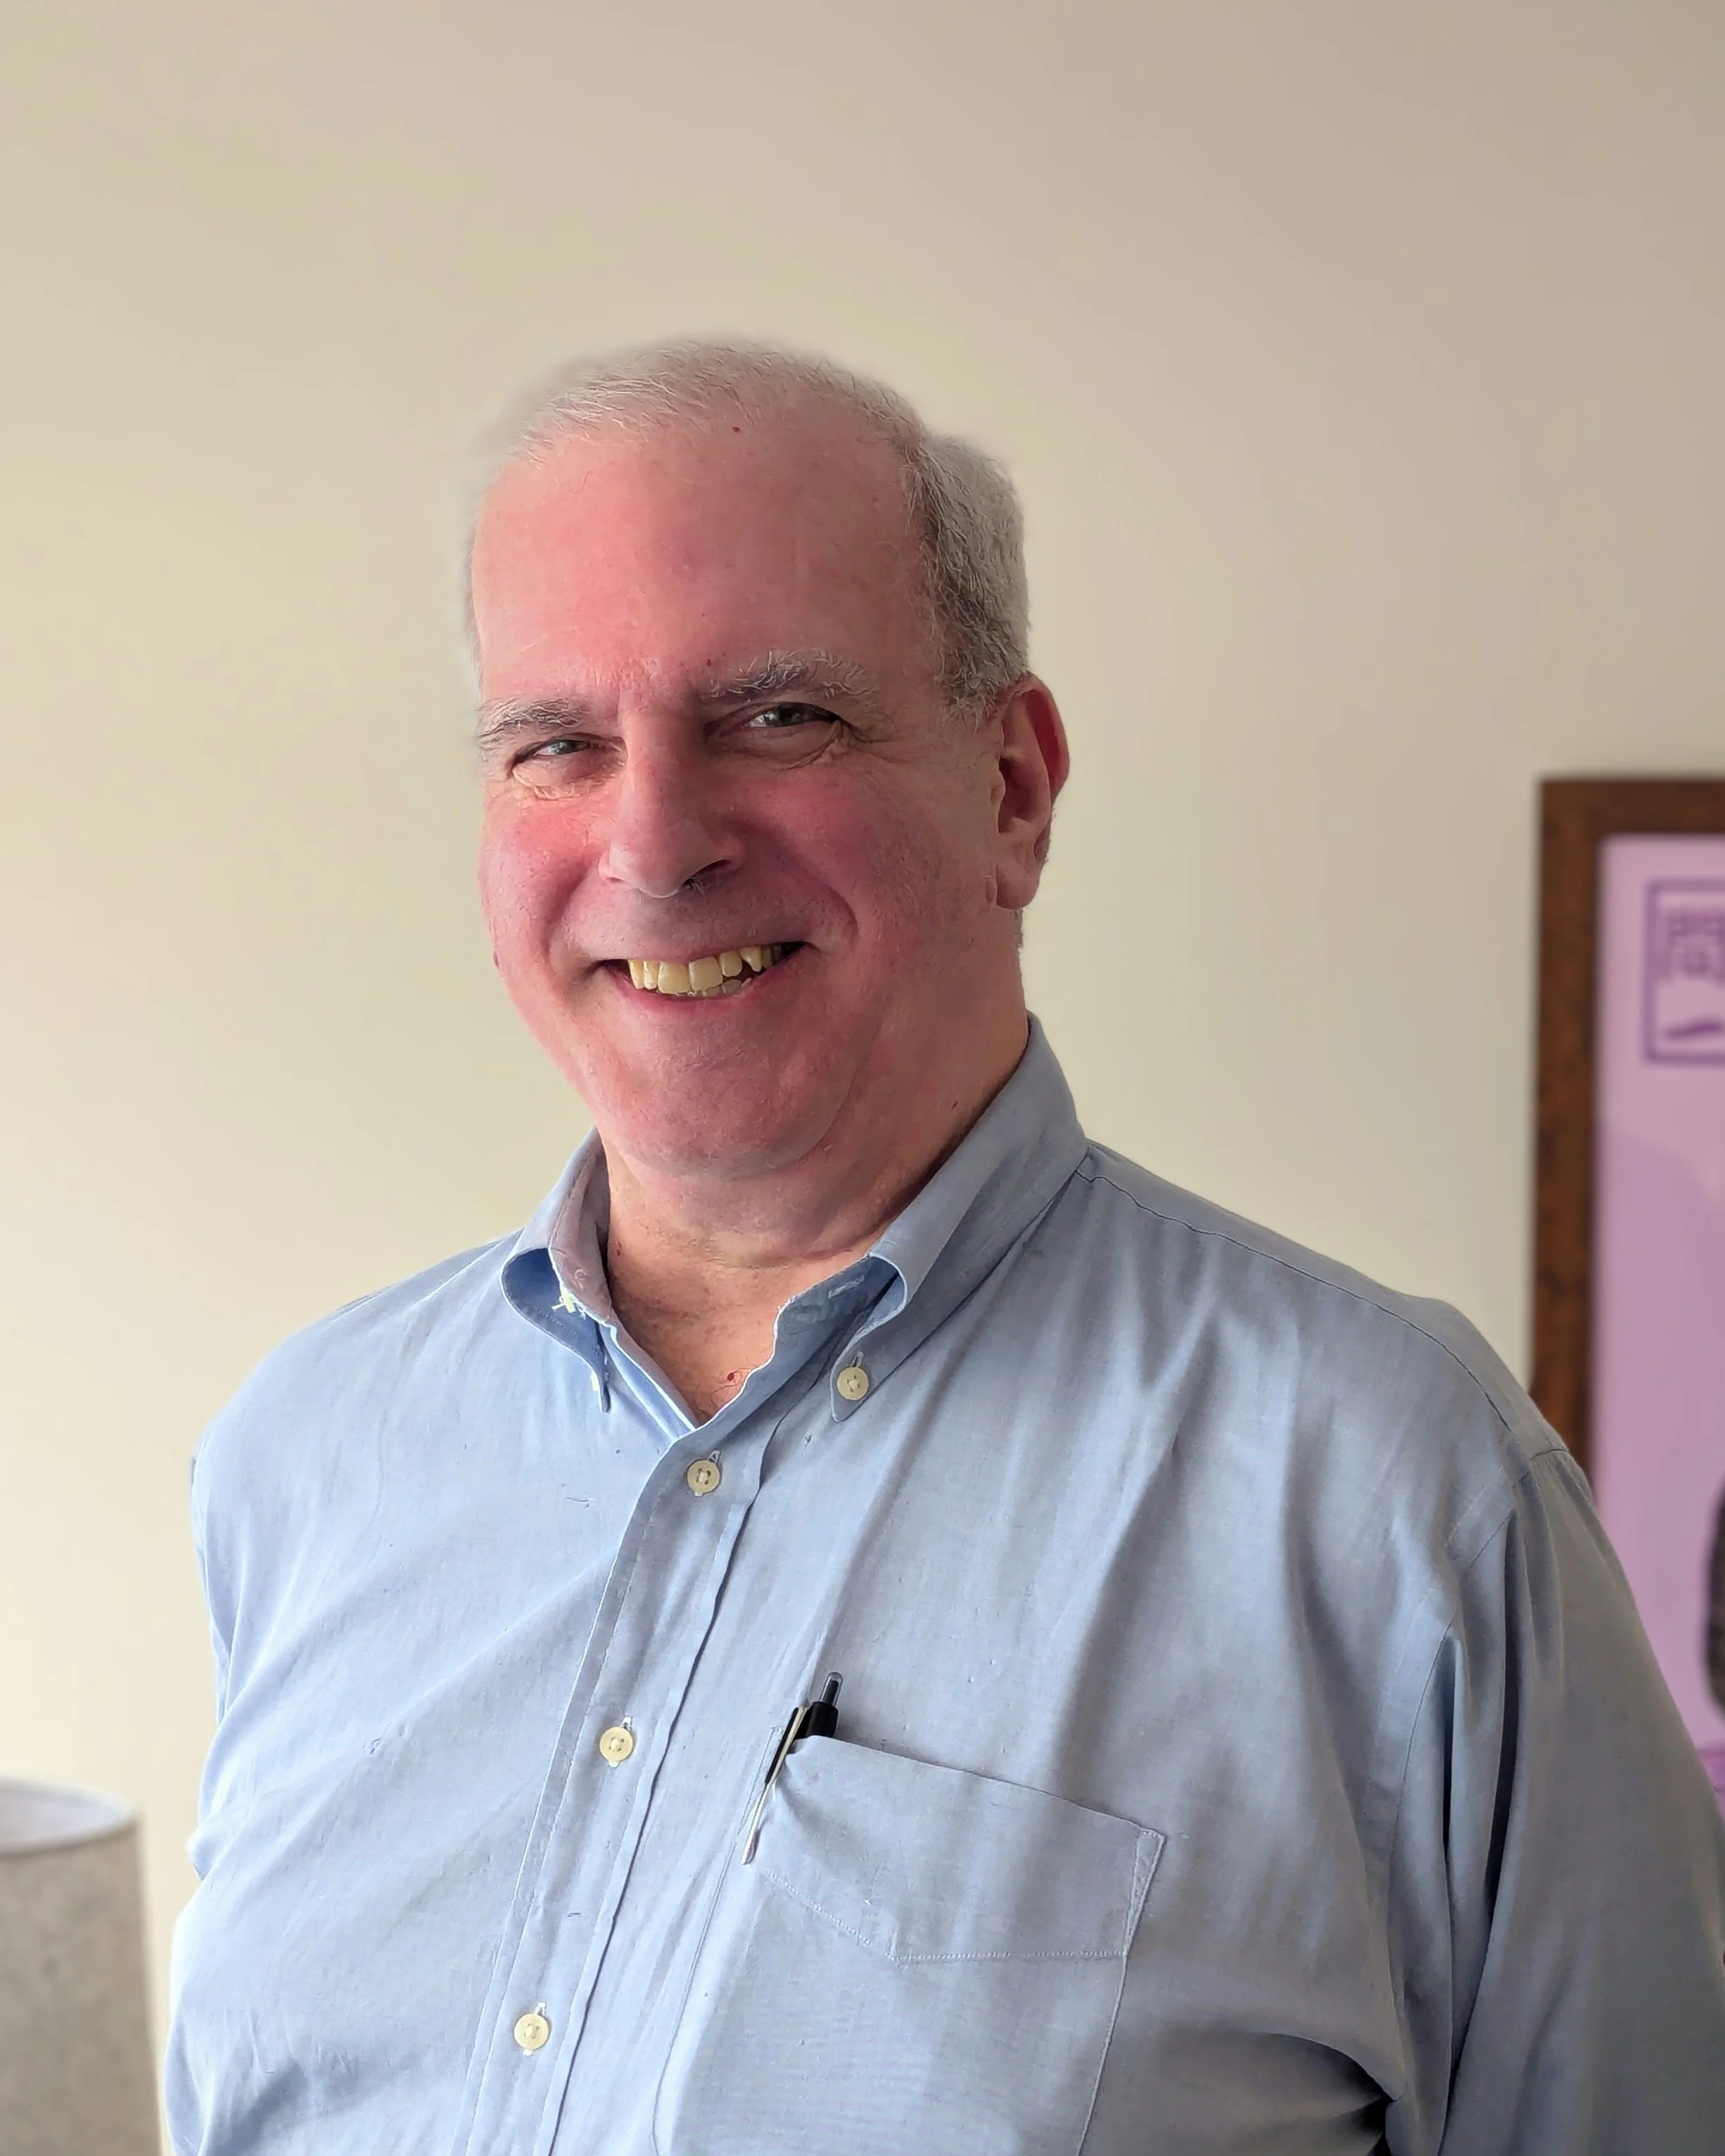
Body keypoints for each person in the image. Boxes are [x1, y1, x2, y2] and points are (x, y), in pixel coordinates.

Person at [165, 341, 1725, 2156]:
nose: (652, 843)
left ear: (1014, 787)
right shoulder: (306, 1459)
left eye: (779, 718)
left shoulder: (1391, 1495)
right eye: (556, 743)